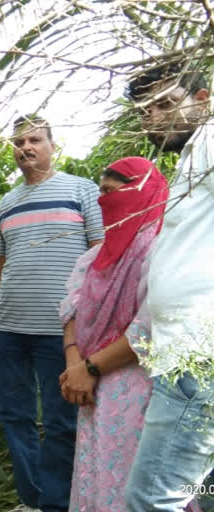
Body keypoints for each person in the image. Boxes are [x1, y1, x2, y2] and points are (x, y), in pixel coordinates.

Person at [0, 115, 104, 512]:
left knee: (62, 423)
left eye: (34, 140)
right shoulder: (7, 203)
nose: (25, 147)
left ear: (52, 146)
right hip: (12, 330)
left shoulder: (81, 191)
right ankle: (34, 499)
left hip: (62, 333)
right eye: (18, 142)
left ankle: (55, 503)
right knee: (15, 418)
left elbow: (101, 257)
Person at [120, 63, 214, 511]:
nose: (152, 118)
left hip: (198, 354)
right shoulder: (194, 157)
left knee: (152, 499)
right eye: (145, 110)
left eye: (164, 104)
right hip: (184, 352)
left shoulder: (211, 139)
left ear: (202, 99)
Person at [58, 157, 169, 511]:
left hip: (140, 388)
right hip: (91, 391)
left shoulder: (162, 252)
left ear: (142, 191)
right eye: (100, 192)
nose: (104, 201)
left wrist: (90, 368)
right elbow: (71, 310)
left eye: (112, 191)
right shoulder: (93, 258)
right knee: (94, 479)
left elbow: (152, 326)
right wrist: (76, 366)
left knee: (128, 485)